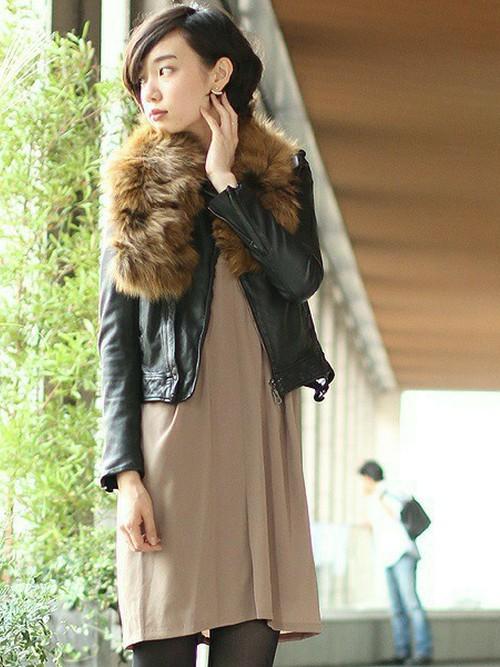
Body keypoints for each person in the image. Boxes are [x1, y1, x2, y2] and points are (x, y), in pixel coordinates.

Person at [96, 3, 335, 666]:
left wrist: (227, 185)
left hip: (257, 444)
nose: (149, 89)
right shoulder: (137, 190)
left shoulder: (279, 174)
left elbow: (300, 277)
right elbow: (116, 347)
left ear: (218, 74)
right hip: (169, 450)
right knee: (160, 636)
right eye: (143, 76)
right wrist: (125, 476)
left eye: (166, 70)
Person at [358, 460, 433, 666]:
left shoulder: (387, 491)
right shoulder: (375, 497)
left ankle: (422, 652)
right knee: (397, 607)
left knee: (411, 604)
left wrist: (380, 500)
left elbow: (397, 515)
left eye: (363, 480)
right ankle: (402, 652)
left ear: (368, 478)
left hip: (401, 554)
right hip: (388, 556)